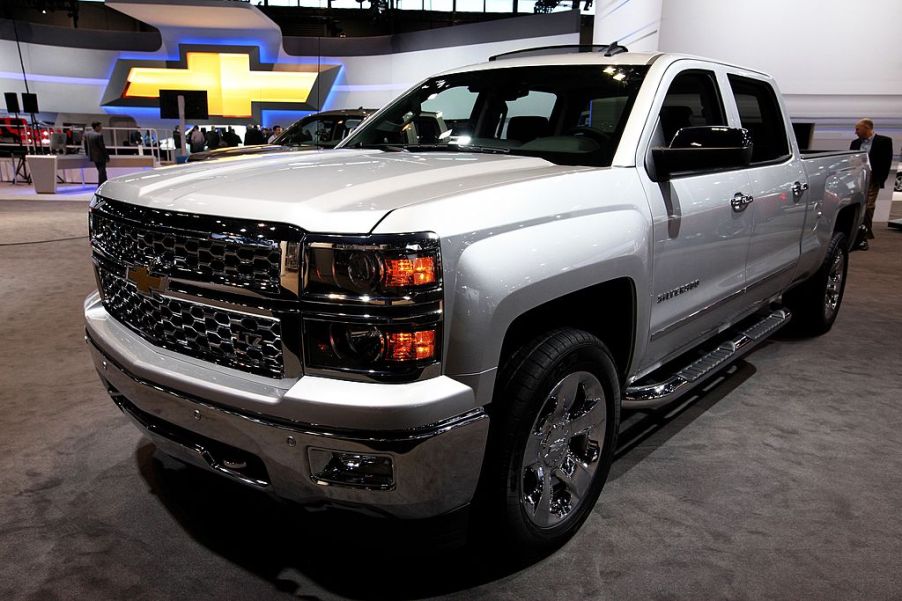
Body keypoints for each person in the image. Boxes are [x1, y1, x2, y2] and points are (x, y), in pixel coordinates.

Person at [850, 118, 893, 250]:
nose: (855, 132)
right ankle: (855, 235)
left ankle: (863, 237)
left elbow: (887, 162)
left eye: (858, 129)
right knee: (854, 207)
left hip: (872, 180)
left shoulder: (884, 141)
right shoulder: (855, 143)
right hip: (857, 180)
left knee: (868, 207)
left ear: (867, 128)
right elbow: (851, 161)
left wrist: (880, 180)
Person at [83, 121, 109, 186]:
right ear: (96, 127)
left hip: (92, 156)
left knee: (100, 171)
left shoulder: (87, 134)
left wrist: (87, 153)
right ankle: (102, 185)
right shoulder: (99, 135)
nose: (101, 128)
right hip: (100, 156)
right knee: (102, 171)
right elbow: (102, 147)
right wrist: (107, 156)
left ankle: (103, 184)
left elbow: (85, 145)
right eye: (100, 126)